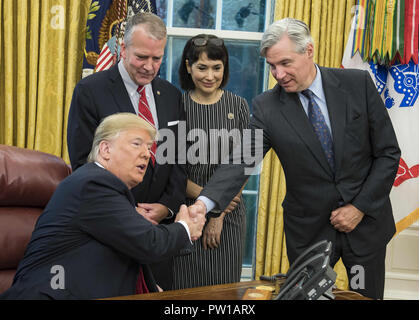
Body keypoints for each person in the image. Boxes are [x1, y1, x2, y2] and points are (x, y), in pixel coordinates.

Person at [189, 18, 401, 299]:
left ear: (309, 51)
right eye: (272, 66)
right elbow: (241, 161)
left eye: (286, 63)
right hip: (310, 232)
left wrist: (359, 207)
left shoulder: (357, 84)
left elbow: (388, 154)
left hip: (365, 225)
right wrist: (203, 205)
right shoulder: (266, 107)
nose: (279, 73)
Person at [0, 113, 205, 300]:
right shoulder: (93, 185)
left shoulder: (106, 190)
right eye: (137, 144)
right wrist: (185, 226)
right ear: (106, 149)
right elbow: (150, 244)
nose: (147, 154)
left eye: (149, 148)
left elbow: (131, 250)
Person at [67, 12, 186, 290]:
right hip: (109, 232)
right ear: (123, 49)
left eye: (157, 58)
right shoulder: (90, 91)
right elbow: (84, 162)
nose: (149, 66)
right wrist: (124, 209)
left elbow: (177, 159)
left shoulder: (171, 95)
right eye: (141, 57)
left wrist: (166, 207)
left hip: (158, 234)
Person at [171, 34, 250, 289]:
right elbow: (171, 170)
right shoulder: (175, 106)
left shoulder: (239, 106)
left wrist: (218, 213)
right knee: (184, 290)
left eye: (217, 68)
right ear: (188, 66)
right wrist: (208, 207)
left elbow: (246, 164)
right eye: (201, 67)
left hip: (229, 217)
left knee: (222, 291)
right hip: (186, 213)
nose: (209, 76)